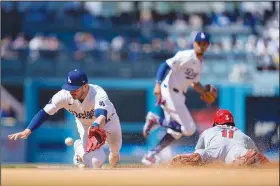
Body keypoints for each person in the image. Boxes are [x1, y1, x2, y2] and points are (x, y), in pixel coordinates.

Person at [8, 69, 122, 168]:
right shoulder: (63, 95)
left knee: (115, 152)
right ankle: (79, 147)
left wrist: (96, 127)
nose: (72, 92)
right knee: (95, 162)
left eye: (75, 89)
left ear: (85, 86)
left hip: (108, 122)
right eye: (70, 88)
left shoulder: (98, 93)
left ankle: (112, 158)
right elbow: (44, 113)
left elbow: (101, 115)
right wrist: (28, 130)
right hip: (86, 126)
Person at [142, 32, 217, 165]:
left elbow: (194, 83)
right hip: (168, 91)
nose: (201, 45)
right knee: (189, 129)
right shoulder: (186, 55)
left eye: (204, 43)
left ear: (208, 45)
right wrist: (157, 85)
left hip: (179, 95)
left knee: (176, 132)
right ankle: (156, 120)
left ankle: (150, 154)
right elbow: (164, 65)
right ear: (194, 43)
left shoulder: (200, 64)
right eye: (199, 42)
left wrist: (204, 92)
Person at [169, 109, 269, 167]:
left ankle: (192, 157)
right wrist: (267, 163)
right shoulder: (242, 134)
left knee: (201, 154)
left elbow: (198, 150)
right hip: (235, 149)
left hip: (216, 149)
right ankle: (242, 158)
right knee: (245, 154)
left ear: (216, 122)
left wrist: (199, 156)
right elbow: (258, 155)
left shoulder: (208, 131)